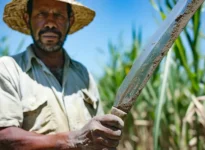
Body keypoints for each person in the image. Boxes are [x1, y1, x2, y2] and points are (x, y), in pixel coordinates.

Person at [0, 0, 124, 149]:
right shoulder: (8, 69)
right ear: (28, 19)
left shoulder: (83, 74)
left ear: (70, 21)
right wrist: (70, 140)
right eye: (41, 14)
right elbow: (5, 136)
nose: (50, 23)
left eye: (58, 15)